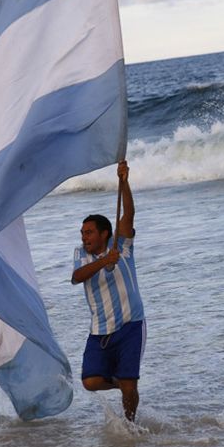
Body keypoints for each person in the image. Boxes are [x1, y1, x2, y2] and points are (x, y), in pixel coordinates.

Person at [71, 160, 145, 422]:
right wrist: (104, 261)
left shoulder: (121, 245)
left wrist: (124, 182)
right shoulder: (81, 254)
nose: (84, 237)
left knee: (130, 386)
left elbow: (129, 214)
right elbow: (77, 277)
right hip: (100, 329)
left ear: (105, 234)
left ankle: (130, 425)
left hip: (130, 325)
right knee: (90, 382)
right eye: (82, 233)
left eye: (89, 232)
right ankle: (122, 383)